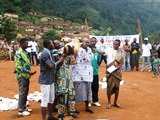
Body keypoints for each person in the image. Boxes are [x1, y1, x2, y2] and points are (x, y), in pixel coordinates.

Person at [39, 39, 63, 120]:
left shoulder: (49, 52)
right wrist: (59, 61)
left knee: (51, 99)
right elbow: (50, 66)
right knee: (45, 100)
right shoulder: (45, 53)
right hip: (45, 80)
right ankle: (44, 118)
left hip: (50, 79)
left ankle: (50, 116)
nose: (53, 44)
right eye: (52, 43)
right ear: (49, 44)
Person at [15, 38, 36, 116]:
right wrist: (28, 72)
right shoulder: (19, 53)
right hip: (22, 75)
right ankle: (21, 110)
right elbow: (18, 66)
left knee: (26, 91)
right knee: (23, 92)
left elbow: (26, 63)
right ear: (21, 44)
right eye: (26, 43)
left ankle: (24, 107)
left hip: (26, 75)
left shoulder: (25, 52)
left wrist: (29, 73)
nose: (27, 45)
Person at [56, 45, 78, 119]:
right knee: (62, 96)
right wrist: (63, 56)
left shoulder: (70, 57)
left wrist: (71, 55)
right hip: (62, 79)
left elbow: (74, 62)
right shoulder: (59, 55)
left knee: (71, 96)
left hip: (69, 79)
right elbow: (56, 65)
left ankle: (71, 111)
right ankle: (61, 113)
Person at [72, 38, 94, 113]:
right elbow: (74, 60)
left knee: (88, 91)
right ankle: (73, 108)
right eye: (86, 42)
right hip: (78, 74)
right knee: (77, 91)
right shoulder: (77, 50)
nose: (87, 44)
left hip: (88, 74)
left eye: (88, 42)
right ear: (82, 42)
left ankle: (87, 107)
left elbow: (90, 59)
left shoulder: (90, 50)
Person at [106, 39, 124, 109]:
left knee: (117, 87)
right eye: (114, 44)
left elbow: (121, 62)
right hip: (109, 70)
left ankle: (115, 102)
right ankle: (109, 102)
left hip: (117, 71)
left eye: (116, 44)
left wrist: (116, 64)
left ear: (119, 45)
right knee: (109, 87)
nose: (115, 45)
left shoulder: (121, 52)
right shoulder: (108, 50)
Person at [89, 37, 101, 107]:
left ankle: (95, 100)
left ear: (96, 42)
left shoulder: (98, 51)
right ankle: (89, 101)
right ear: (90, 42)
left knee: (95, 87)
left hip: (95, 72)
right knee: (89, 87)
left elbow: (99, 61)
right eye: (92, 41)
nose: (93, 42)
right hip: (87, 73)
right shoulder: (87, 50)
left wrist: (96, 67)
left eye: (94, 41)